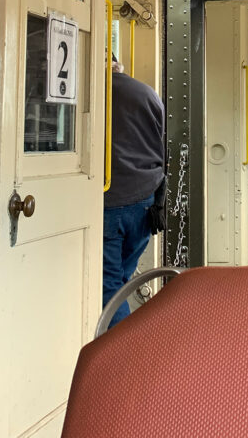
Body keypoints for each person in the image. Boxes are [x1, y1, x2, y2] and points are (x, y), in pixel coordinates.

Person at [103, 56, 167, 326]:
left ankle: (121, 353)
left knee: (108, 287)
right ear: (120, 66)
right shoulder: (148, 94)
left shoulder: (95, 96)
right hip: (145, 200)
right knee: (122, 280)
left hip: (109, 199)